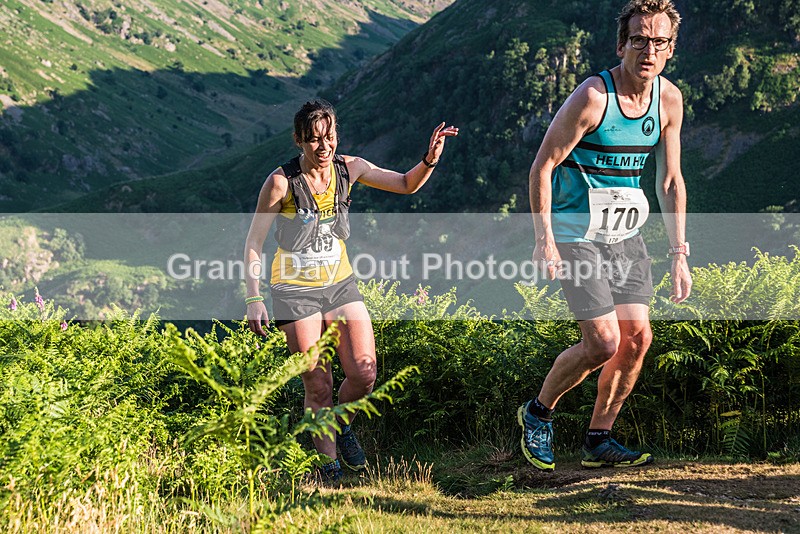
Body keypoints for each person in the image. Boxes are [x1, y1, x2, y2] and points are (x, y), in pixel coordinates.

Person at [244, 99, 458, 483]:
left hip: (340, 284)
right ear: (298, 140)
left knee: (364, 373)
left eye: (329, 137)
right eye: (313, 139)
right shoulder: (281, 183)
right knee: (319, 384)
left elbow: (405, 184)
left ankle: (341, 425)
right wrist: (254, 297)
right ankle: (329, 469)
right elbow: (254, 243)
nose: (323, 146)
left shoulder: (350, 168)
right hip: (294, 290)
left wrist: (430, 159)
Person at [521, 0, 691, 471]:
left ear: (670, 49)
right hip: (576, 233)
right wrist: (544, 238)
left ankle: (599, 439)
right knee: (602, 342)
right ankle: (537, 414)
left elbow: (670, 181)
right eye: (639, 40)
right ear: (622, 45)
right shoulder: (594, 97)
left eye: (659, 42)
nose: (648, 51)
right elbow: (542, 166)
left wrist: (679, 253)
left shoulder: (669, 100)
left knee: (636, 339)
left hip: (625, 236)